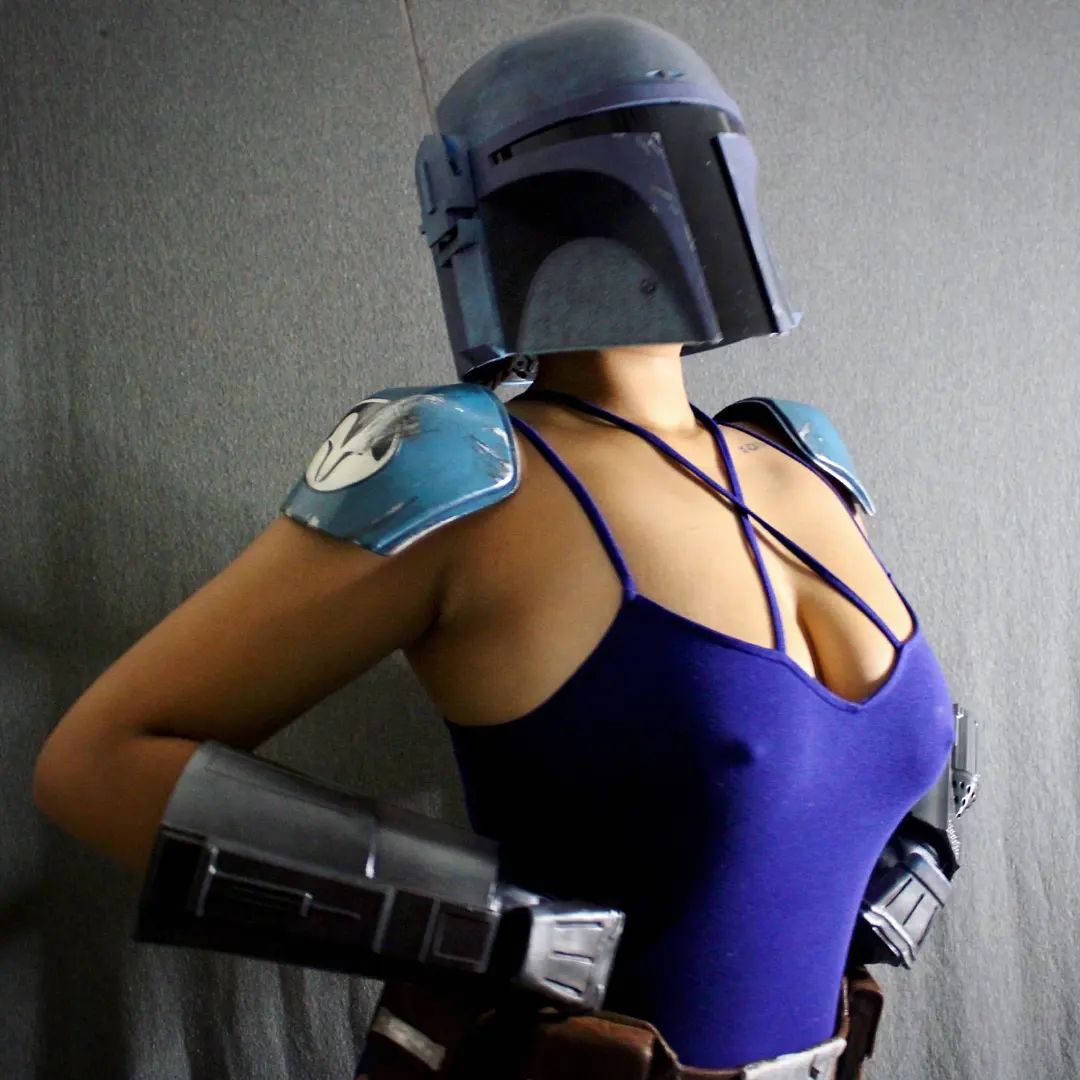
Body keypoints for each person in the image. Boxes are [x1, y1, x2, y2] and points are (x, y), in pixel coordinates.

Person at [32, 13, 977, 1080]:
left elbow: (908, 771)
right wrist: (501, 932)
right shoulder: (468, 478)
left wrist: (904, 875)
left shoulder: (803, 460)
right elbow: (95, 762)